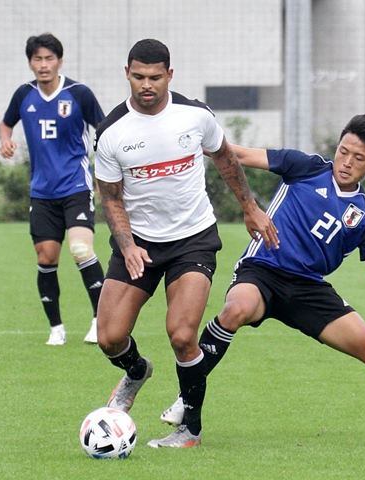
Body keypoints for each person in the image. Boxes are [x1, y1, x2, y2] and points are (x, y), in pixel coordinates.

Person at [160, 113, 365, 444]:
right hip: (263, 269)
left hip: (307, 287)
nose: (347, 162)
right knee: (236, 309)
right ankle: (188, 397)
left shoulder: (364, 213)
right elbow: (239, 153)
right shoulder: (306, 167)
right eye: (343, 151)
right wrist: (197, 142)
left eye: (359, 158)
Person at [93, 39, 279, 449]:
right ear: (127, 74)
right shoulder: (111, 133)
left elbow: (226, 158)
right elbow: (110, 197)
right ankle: (137, 371)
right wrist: (126, 245)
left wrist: (250, 207)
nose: (147, 85)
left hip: (192, 240)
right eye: (139, 77)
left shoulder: (195, 116)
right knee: (109, 338)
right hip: (138, 243)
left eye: (155, 77)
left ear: (169, 76)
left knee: (181, 334)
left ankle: (189, 430)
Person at [0, 33, 105, 346]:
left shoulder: (78, 93)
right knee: (46, 258)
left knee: (81, 249)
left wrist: (105, 175)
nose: (43, 65)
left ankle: (100, 320)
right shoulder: (24, 95)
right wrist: (5, 140)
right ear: (30, 62)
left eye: (49, 59)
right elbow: (6, 123)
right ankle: (56, 328)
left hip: (75, 185)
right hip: (42, 192)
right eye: (37, 59)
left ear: (60, 61)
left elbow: (105, 131)